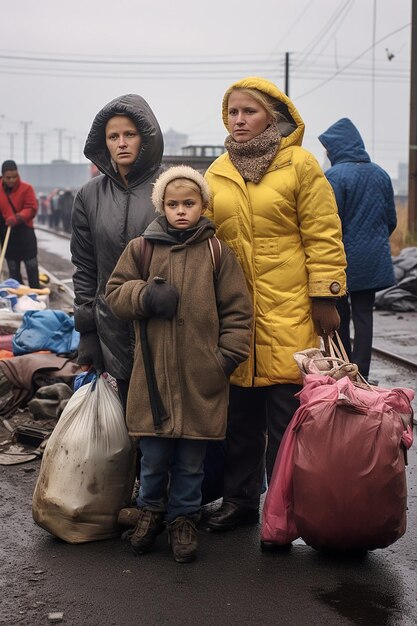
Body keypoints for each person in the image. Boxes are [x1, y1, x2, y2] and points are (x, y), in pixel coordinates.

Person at [203, 76, 347, 536]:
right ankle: (242, 502)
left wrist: (326, 295)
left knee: (286, 423)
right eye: (233, 112)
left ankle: (283, 511)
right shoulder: (216, 173)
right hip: (236, 318)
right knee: (239, 421)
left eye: (249, 111)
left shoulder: (301, 166)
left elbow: (323, 234)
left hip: (290, 314)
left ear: (273, 117)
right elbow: (203, 239)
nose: (239, 120)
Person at [105, 166, 252, 563]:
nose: (181, 211)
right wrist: (144, 298)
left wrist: (223, 361)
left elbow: (238, 313)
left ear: (203, 205)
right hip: (154, 379)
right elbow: (115, 293)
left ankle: (183, 519)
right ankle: (150, 512)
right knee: (152, 457)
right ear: (162, 207)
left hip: (200, 380)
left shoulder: (217, 253)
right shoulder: (142, 249)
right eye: (173, 204)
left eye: (189, 204)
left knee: (191, 461)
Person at [70, 94, 164, 407]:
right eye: (113, 136)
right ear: (104, 142)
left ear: (146, 138)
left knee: (161, 435)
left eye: (130, 134)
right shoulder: (88, 196)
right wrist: (87, 335)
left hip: (163, 329)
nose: (121, 143)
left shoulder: (170, 189)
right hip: (110, 328)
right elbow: (85, 269)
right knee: (121, 430)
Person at [318, 118, 397, 381]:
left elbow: (329, 222)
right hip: (373, 259)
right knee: (364, 316)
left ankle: (345, 369)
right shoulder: (381, 174)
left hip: (342, 259)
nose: (327, 154)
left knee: (339, 314)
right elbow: (391, 219)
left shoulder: (333, 177)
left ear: (337, 148)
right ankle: (362, 371)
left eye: (328, 149)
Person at [0, 160, 40, 289]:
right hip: (7, 234)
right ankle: (18, 295)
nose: (12, 180)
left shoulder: (26, 188)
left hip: (25, 232)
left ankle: (35, 292)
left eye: (14, 177)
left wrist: (17, 218)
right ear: (3, 176)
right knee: (13, 268)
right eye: (8, 177)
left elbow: (32, 208)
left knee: (31, 265)